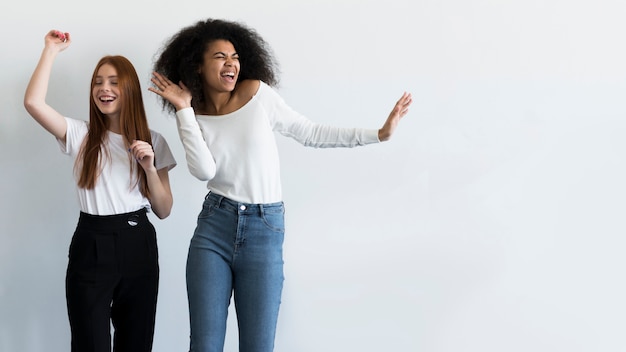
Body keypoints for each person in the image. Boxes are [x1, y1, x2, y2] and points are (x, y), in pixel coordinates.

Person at [149, 18, 412, 352]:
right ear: (197, 67)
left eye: (235, 56)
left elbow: (311, 132)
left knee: (258, 346)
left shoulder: (256, 93)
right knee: (204, 346)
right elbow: (204, 171)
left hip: (264, 227)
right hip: (214, 227)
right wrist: (184, 110)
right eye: (219, 57)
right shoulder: (192, 113)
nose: (231, 63)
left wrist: (378, 134)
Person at [24, 29, 177, 352]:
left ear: (129, 89)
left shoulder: (154, 141)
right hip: (91, 242)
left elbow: (163, 210)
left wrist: (149, 167)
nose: (104, 89)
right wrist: (50, 50)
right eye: (97, 82)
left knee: (135, 342)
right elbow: (33, 103)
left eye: (113, 82)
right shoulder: (80, 134)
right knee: (89, 343)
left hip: (138, 242)